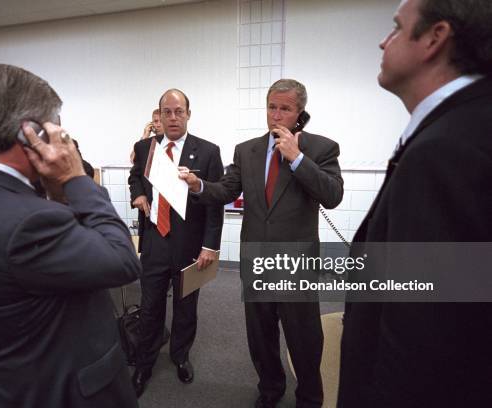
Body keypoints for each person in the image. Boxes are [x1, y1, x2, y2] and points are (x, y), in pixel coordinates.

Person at [0, 64, 141, 408]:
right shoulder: (27, 221)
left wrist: (58, 195)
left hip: (12, 382)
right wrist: (77, 179)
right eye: (54, 124)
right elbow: (121, 260)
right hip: (66, 391)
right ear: (29, 132)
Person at [338, 1, 492, 407]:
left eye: (395, 28)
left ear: (434, 38)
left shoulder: (446, 149)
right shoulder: (465, 124)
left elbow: (423, 334)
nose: (382, 40)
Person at [180, 79, 343, 408]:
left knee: (304, 338)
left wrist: (297, 158)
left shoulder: (322, 148)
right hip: (255, 259)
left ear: (299, 113)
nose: (277, 115)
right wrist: (198, 185)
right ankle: (270, 389)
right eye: (272, 107)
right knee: (261, 336)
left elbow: (333, 195)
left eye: (285, 109)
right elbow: (226, 190)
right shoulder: (247, 150)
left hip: (296, 263)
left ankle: (309, 398)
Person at [128, 89, 224, 397]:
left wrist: (210, 245)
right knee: (149, 305)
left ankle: (180, 356)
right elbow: (135, 177)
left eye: (178, 111)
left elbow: (215, 202)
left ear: (188, 114)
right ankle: (144, 364)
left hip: (190, 245)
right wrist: (138, 194)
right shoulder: (145, 148)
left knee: (186, 306)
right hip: (156, 240)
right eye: (166, 112)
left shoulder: (208, 152)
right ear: (159, 115)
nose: (172, 117)